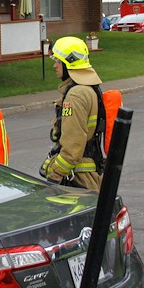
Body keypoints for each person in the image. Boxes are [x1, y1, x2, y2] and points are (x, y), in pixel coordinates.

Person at [41, 36, 105, 191]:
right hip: (88, 174)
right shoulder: (88, 88)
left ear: (68, 62)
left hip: (78, 179)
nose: (55, 65)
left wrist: (56, 174)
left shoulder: (75, 95)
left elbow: (73, 144)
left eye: (57, 60)